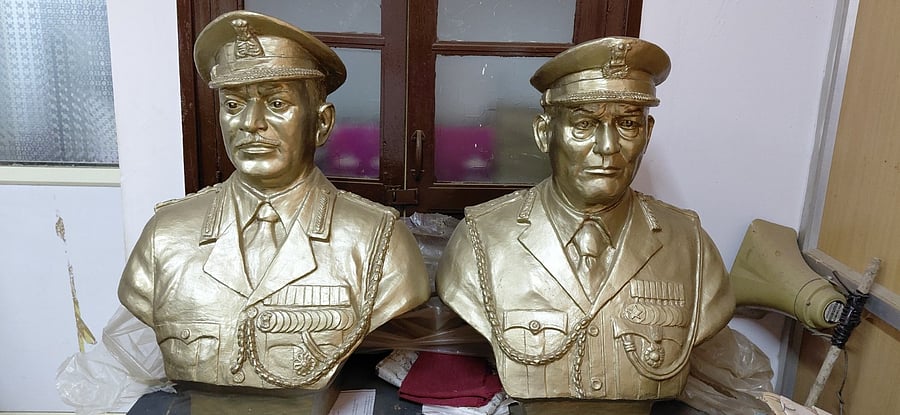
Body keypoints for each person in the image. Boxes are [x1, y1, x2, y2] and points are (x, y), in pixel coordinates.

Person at [118, 11, 429, 393]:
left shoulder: (379, 242)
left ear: (322, 123)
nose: (250, 122)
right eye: (232, 105)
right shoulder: (165, 236)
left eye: (277, 103)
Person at [436, 37, 734, 413]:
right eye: (583, 124)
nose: (608, 146)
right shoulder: (482, 239)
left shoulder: (690, 246)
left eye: (627, 123)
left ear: (648, 132)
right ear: (545, 134)